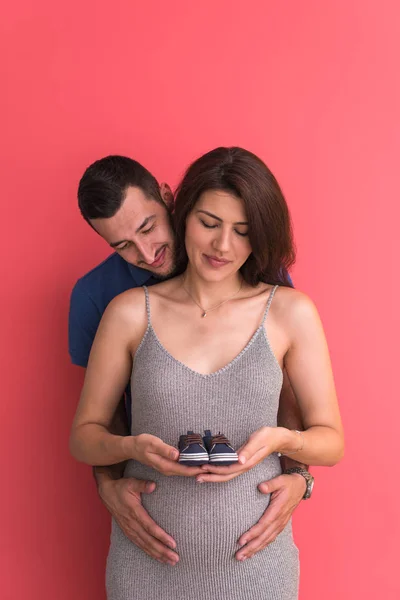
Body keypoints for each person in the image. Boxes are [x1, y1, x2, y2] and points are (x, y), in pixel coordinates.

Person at [70, 147, 344, 600]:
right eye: (209, 224)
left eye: (242, 230)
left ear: (168, 202)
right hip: (146, 566)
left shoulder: (285, 305)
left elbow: (313, 421)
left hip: (258, 571)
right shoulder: (115, 307)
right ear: (189, 213)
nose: (223, 246)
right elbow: (92, 427)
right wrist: (111, 479)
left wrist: (295, 468)